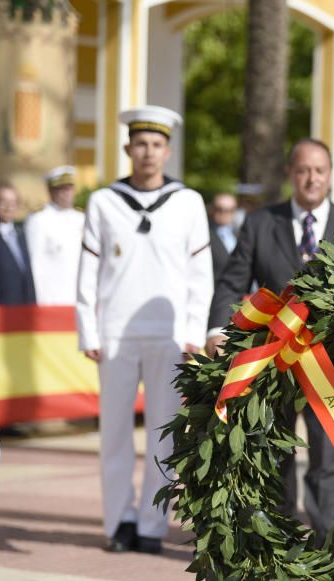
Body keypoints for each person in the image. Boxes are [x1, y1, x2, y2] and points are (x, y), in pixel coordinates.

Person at [206, 138, 334, 546]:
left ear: (331, 175)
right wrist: (217, 331)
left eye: (319, 170)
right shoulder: (261, 223)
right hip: (274, 365)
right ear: (290, 174)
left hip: (333, 368)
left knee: (327, 463)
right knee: (278, 457)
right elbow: (231, 283)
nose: (311, 178)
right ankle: (284, 547)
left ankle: (324, 550)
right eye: (302, 170)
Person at [76, 105, 213, 555]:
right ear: (128, 148)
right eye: (141, 144)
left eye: (156, 144)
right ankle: (118, 522)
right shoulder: (103, 201)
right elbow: (87, 272)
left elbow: (201, 274)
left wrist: (194, 331)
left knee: (163, 433)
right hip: (116, 331)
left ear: (168, 150)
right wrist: (88, 332)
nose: (148, 152)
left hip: (170, 334)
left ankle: (153, 525)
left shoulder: (188, 201)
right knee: (114, 431)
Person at [24, 165, 85, 305]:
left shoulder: (81, 218)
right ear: (51, 191)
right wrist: (38, 301)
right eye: (61, 190)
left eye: (69, 188)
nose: (67, 193)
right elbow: (35, 263)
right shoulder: (38, 219)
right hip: (51, 299)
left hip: (77, 298)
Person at [208, 192, 238, 284]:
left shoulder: (240, 234)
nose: (225, 213)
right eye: (220, 209)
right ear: (212, 209)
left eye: (230, 210)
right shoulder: (204, 234)